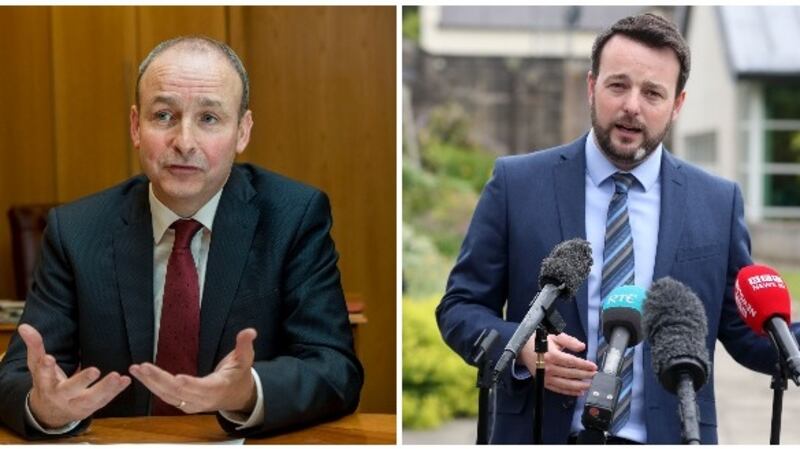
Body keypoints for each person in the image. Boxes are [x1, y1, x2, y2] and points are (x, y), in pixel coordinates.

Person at [437, 13, 800, 444]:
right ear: (592, 87)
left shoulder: (718, 203)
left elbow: (748, 335)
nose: (632, 105)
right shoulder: (517, 184)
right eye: (618, 86)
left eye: (652, 93)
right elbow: (459, 307)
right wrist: (522, 349)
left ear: (677, 104)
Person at [0, 36, 363, 439]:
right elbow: (15, 378)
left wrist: (249, 392)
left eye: (209, 118)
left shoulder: (293, 218)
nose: (184, 142)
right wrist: (44, 407)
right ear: (136, 126)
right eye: (164, 116)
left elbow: (335, 368)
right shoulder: (76, 230)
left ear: (242, 131)